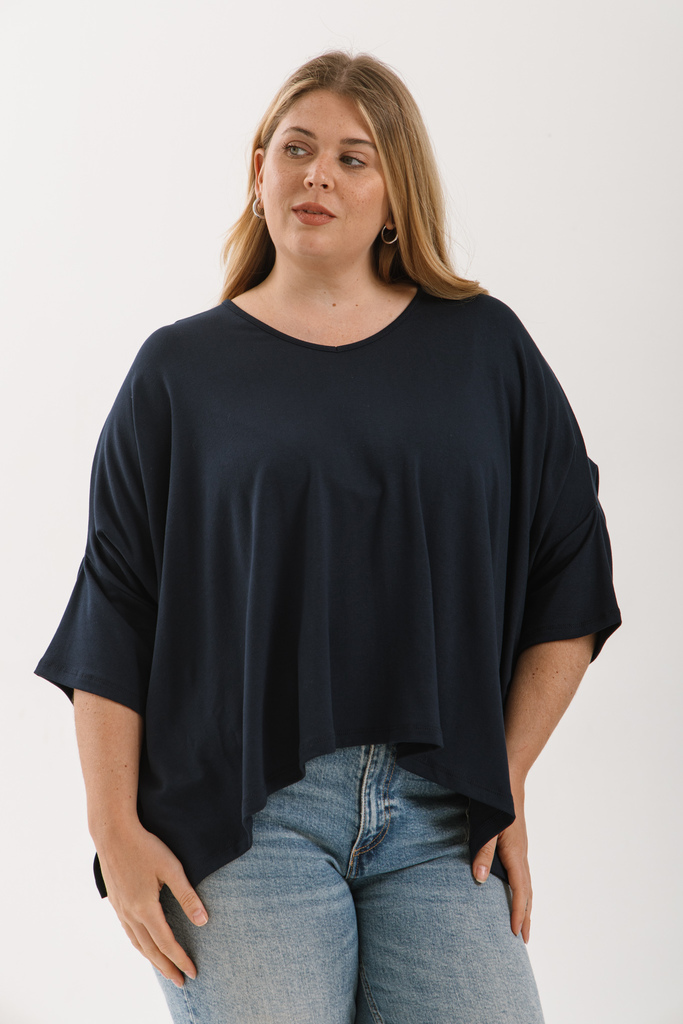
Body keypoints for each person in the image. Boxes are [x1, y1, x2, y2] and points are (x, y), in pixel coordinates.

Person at [35, 50, 621, 1024]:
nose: (318, 176)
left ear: (395, 195)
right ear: (258, 171)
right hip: (239, 819)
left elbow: (570, 561)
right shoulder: (178, 371)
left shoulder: (484, 349)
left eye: (354, 157)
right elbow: (116, 604)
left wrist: (506, 776)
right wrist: (113, 829)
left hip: (438, 815)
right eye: (296, 149)